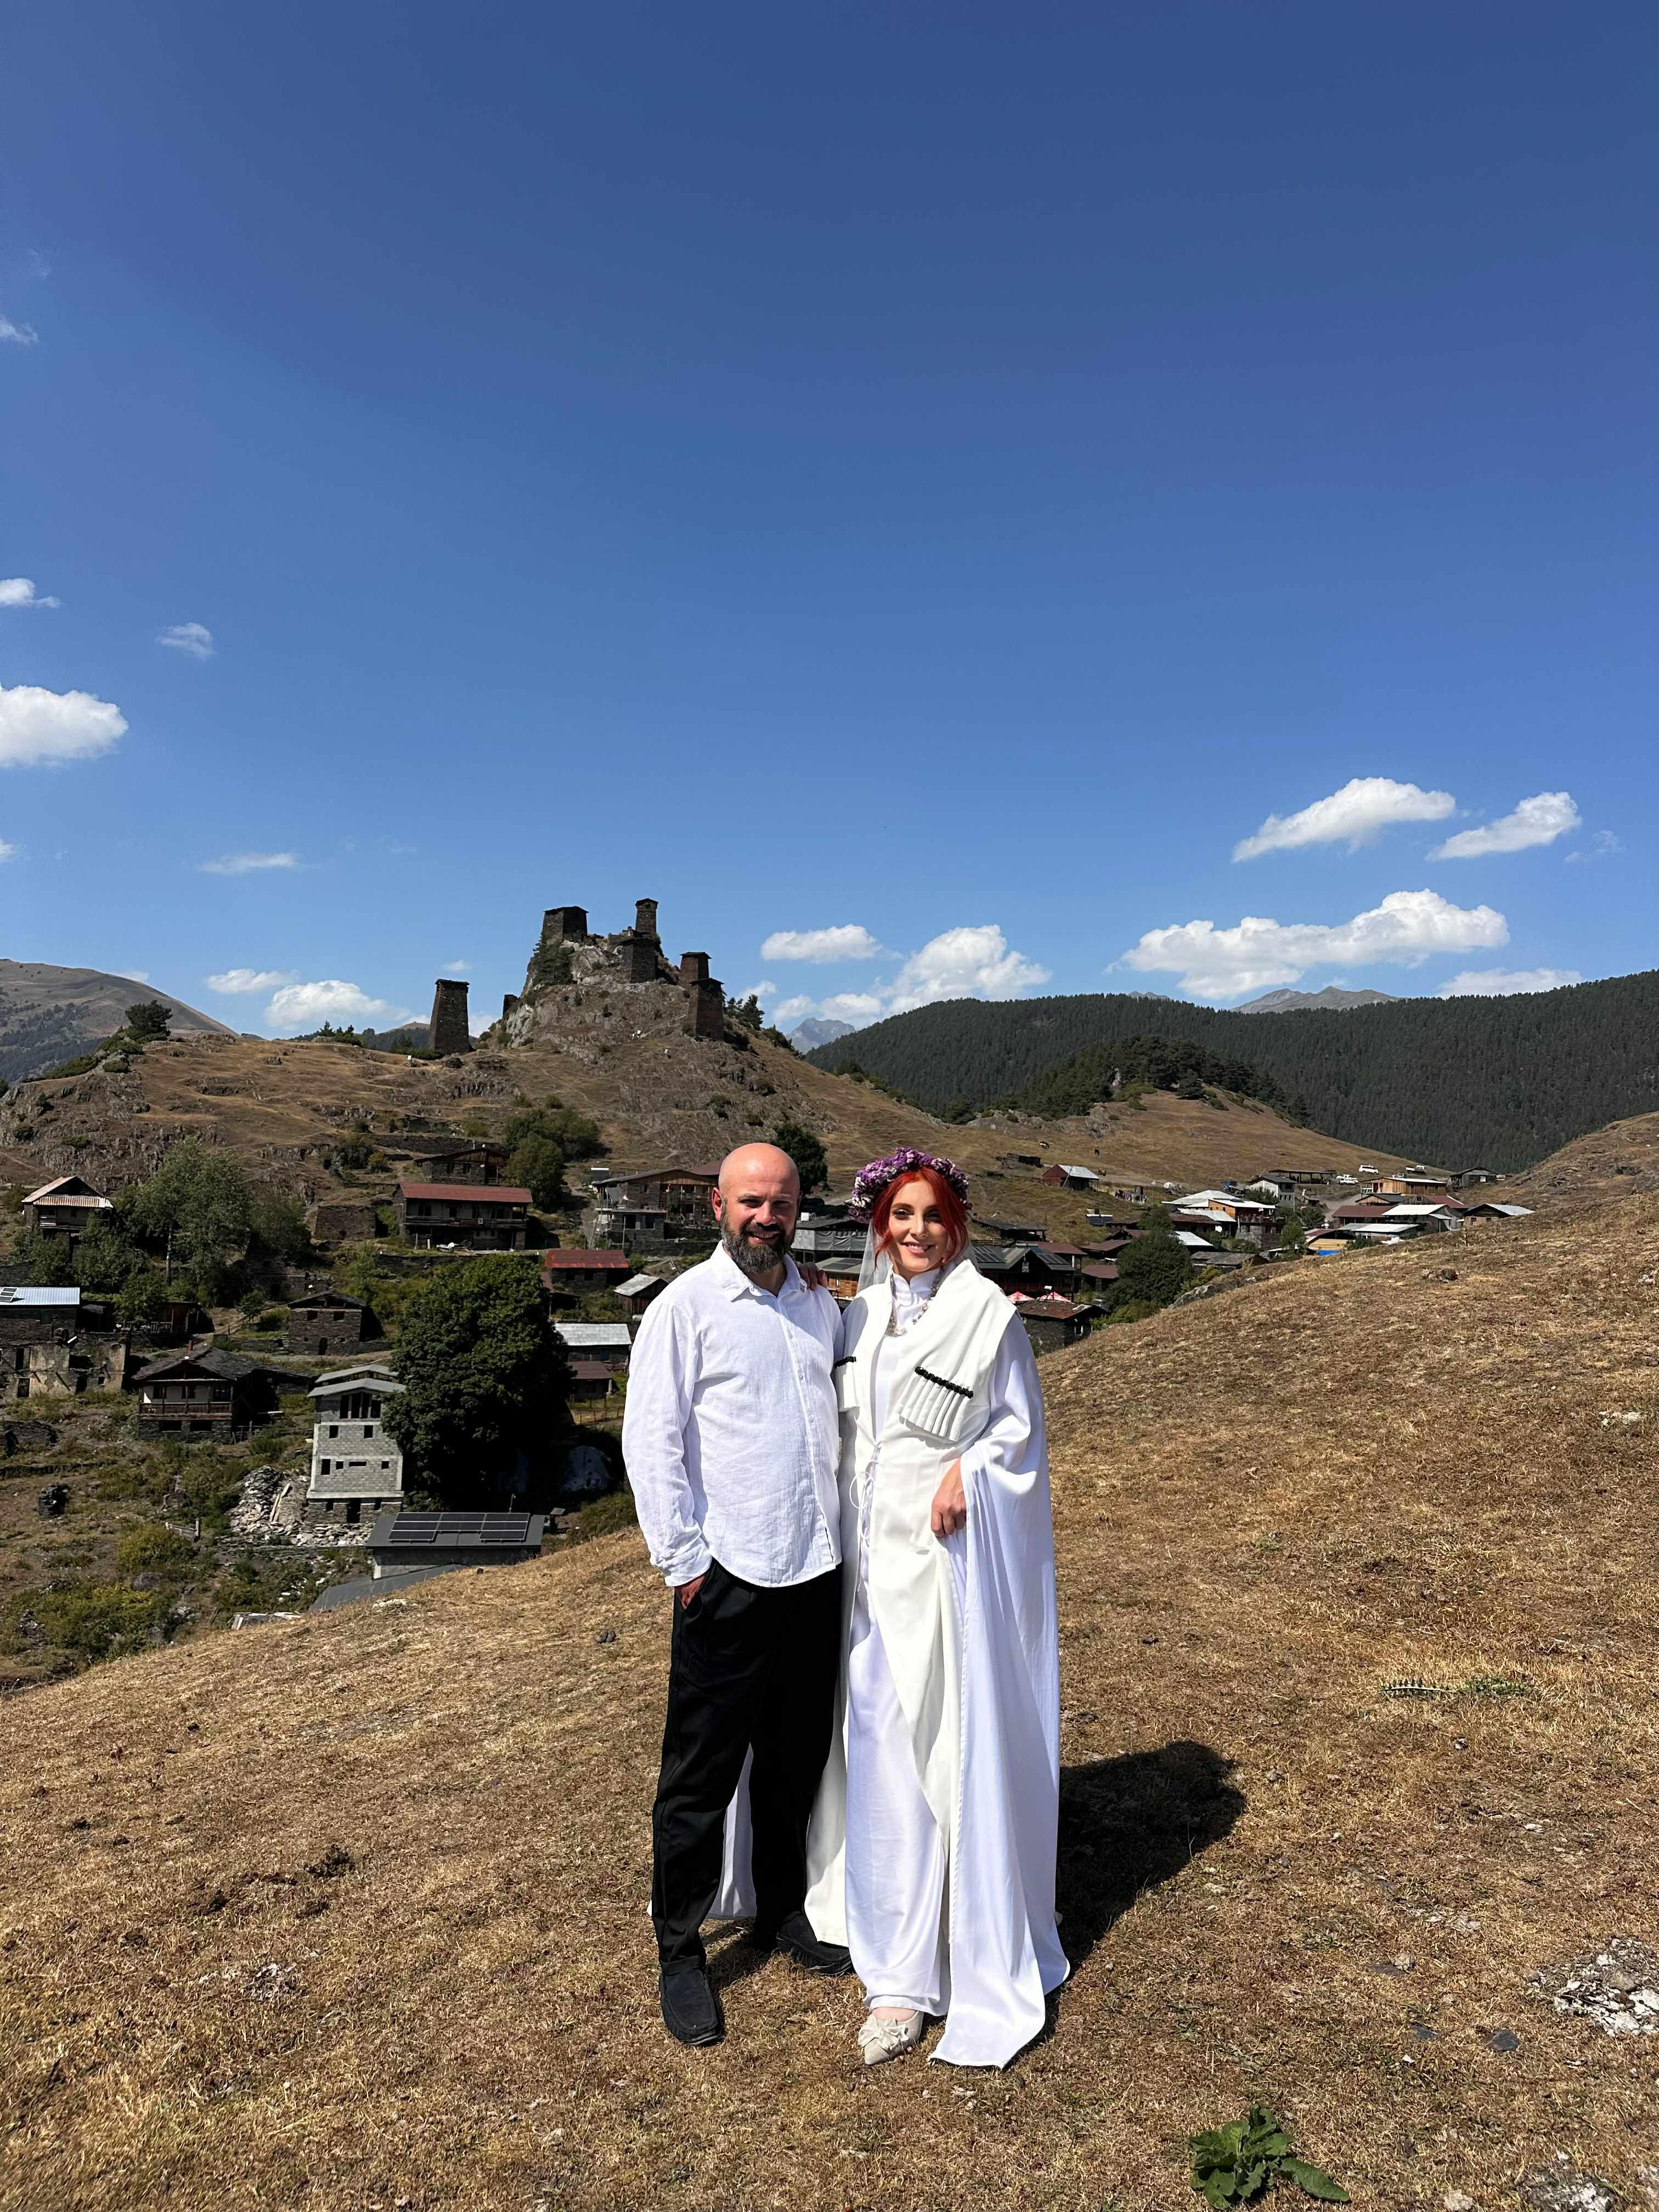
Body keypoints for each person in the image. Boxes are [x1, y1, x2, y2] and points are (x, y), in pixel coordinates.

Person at [804, 1147, 1068, 2068]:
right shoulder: (861, 1315)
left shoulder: (988, 1318)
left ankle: (959, 1938)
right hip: (867, 1575)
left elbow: (1017, 1431)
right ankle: (897, 1970)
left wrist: (969, 1470)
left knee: (943, 1748)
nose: (918, 1231)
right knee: (877, 1747)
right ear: (880, 1227)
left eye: (933, 1215)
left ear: (957, 1226)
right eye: (902, 1215)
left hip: (941, 1570)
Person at [624, 1142, 853, 2048]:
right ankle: (680, 1951)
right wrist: (685, 1566)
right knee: (699, 1778)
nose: (767, 1216)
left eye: (781, 1203)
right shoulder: (685, 1309)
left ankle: (779, 1911)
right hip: (728, 1580)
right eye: (751, 1201)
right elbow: (652, 1442)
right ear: (718, 1206)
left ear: (800, 1210)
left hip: (815, 1573)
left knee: (794, 1762)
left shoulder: (819, 1306)